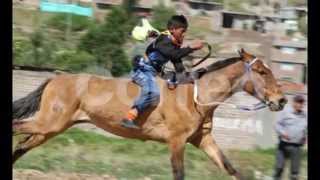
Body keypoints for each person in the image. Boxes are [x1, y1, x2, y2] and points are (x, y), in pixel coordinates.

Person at [121, 15, 204, 129]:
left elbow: (177, 62)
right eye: (182, 31)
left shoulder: (173, 43)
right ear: (173, 29)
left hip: (154, 72)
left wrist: (187, 77)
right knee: (153, 93)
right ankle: (129, 117)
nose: (184, 34)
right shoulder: (163, 40)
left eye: (185, 31)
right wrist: (191, 48)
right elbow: (174, 54)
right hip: (142, 71)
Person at [273, 95, 307, 180]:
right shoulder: (285, 112)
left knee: (295, 173)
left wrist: (305, 136)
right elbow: (277, 124)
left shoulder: (304, 115)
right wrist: (283, 133)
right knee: (279, 168)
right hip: (284, 145)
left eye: (302, 102)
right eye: (299, 102)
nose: (300, 104)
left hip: (297, 146)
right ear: (294, 103)